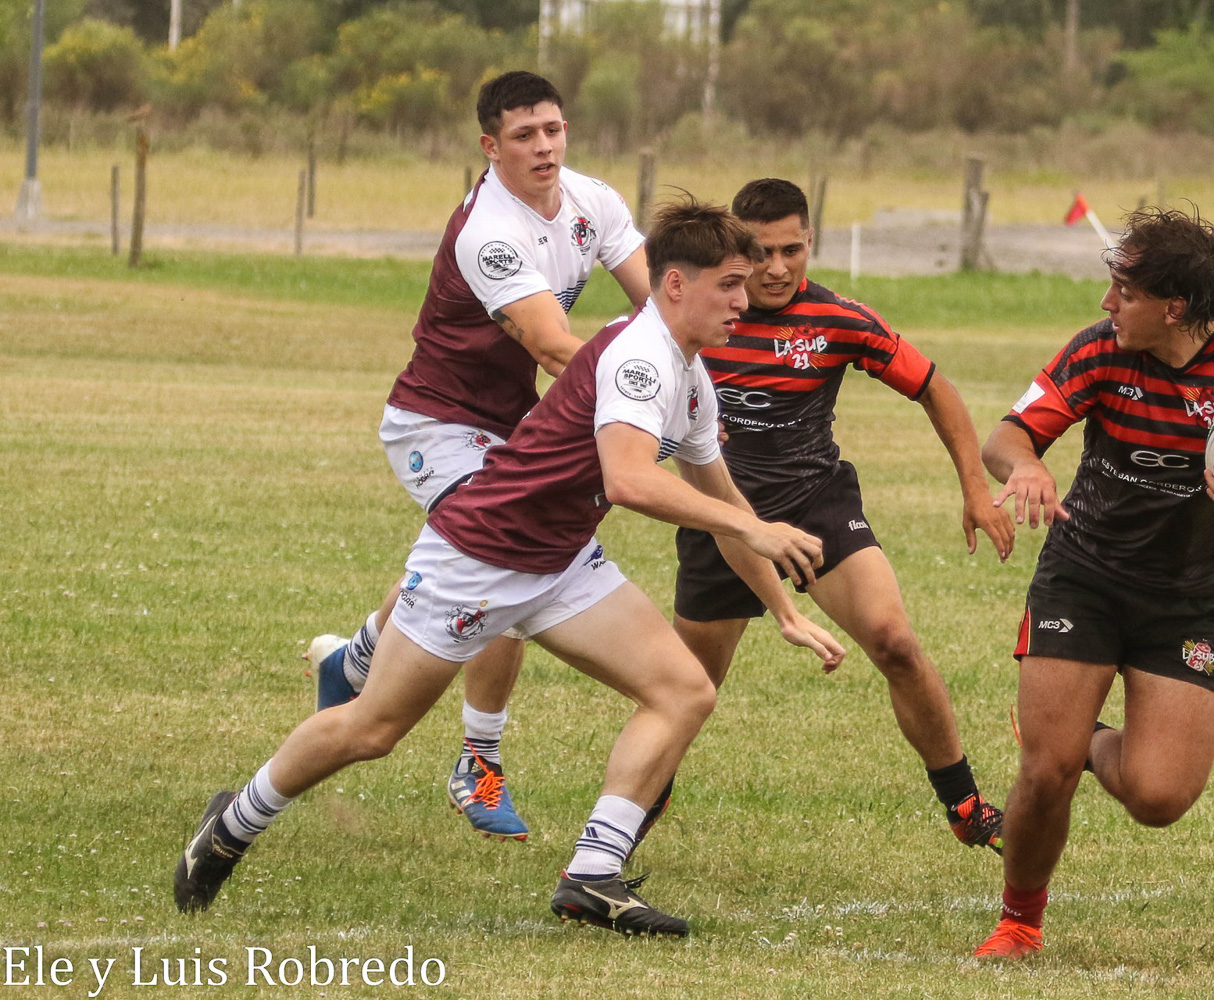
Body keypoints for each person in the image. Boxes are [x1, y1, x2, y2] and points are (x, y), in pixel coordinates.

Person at [175, 199, 846, 937]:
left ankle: (593, 875)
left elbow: (721, 501)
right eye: (730, 285)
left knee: (683, 690)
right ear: (678, 285)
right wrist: (754, 526)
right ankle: (234, 820)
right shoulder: (639, 358)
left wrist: (783, 611)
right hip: (479, 556)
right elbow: (628, 481)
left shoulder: (688, 375)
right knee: (372, 729)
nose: (745, 303)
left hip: (561, 562)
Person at [972, 207, 1214, 958]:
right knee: (1044, 770)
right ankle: (1020, 921)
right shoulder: (1100, 350)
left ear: (1172, 307)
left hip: (1188, 598)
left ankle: (1084, 740)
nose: (1106, 304)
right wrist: (1025, 464)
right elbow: (1008, 435)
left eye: (1121, 289)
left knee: (1158, 798)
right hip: (1082, 576)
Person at [304, 71, 652, 842]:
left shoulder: (593, 203)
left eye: (553, 130)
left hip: (510, 423)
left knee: (472, 569)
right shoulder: (488, 231)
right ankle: (478, 761)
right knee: (508, 560)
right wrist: (645, 388)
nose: (544, 147)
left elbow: (663, 301)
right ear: (490, 147)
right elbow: (556, 346)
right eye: (524, 135)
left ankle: (358, 656)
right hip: (437, 424)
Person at [664, 178, 1016, 853]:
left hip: (813, 503)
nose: (775, 268)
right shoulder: (697, 318)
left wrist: (974, 485)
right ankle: (620, 833)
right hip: (722, 518)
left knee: (895, 640)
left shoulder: (839, 320)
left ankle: (965, 803)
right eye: (760, 252)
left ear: (811, 242)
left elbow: (935, 388)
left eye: (791, 250)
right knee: (684, 692)